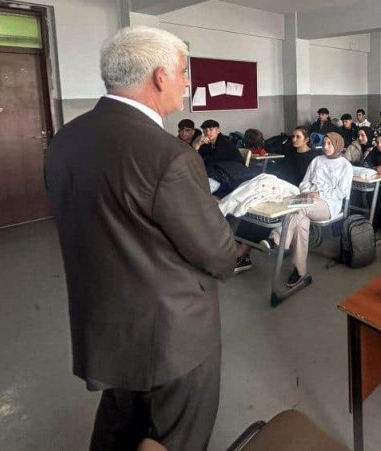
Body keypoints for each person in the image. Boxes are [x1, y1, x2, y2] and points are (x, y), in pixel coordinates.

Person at [44, 26, 238, 450]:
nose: (188, 83)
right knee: (176, 437)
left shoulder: (66, 140)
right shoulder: (168, 156)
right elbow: (219, 254)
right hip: (173, 337)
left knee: (119, 427)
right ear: (160, 76)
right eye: (185, 72)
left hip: (108, 325)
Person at [259, 133, 352, 289]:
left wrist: (319, 194)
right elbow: (304, 182)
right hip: (309, 200)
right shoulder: (316, 160)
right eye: (324, 143)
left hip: (329, 205)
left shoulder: (345, 166)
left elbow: (341, 193)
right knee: (301, 223)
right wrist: (309, 192)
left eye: (330, 144)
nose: (325, 147)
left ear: (337, 145)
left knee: (300, 209)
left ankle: (276, 238)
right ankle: (299, 270)